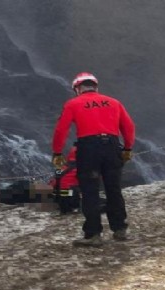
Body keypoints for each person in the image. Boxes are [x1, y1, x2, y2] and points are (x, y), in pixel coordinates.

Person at [51, 72, 135, 246]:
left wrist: (57, 152)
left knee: (90, 191)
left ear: (78, 88)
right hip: (112, 146)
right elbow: (129, 126)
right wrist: (127, 148)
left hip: (88, 149)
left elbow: (61, 130)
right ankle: (120, 230)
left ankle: (93, 235)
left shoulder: (73, 103)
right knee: (113, 189)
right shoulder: (114, 102)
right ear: (95, 87)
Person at [49, 146, 81, 214]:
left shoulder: (63, 166)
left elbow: (56, 178)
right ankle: (74, 209)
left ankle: (64, 211)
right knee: (75, 193)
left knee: (64, 206)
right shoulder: (81, 168)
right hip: (72, 192)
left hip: (61, 192)